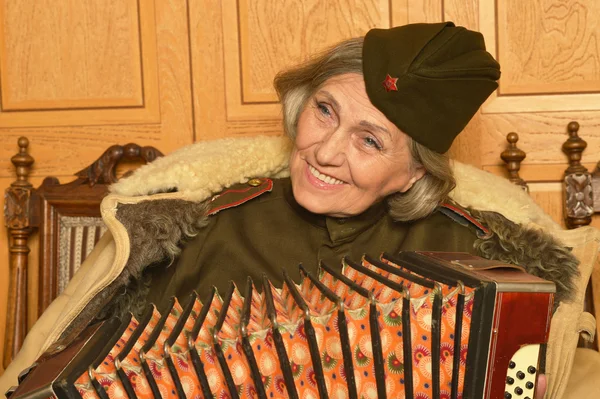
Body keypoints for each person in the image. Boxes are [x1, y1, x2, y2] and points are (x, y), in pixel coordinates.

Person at [0, 22, 588, 398]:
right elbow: (62, 372)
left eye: (370, 140)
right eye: (325, 110)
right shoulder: (199, 228)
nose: (325, 152)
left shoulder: (486, 260)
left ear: (415, 172)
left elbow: (564, 372)